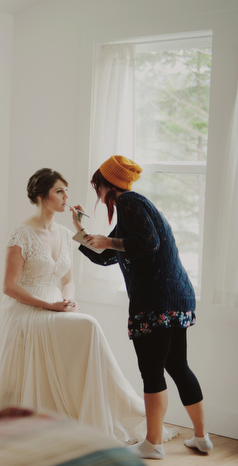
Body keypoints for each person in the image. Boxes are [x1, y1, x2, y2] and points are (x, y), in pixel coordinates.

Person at [0, 168, 147, 443]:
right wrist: (50, 305)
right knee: (89, 325)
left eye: (66, 190)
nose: (67, 196)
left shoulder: (66, 234)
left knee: (87, 327)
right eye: (59, 191)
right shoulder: (21, 233)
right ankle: (114, 404)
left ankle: (93, 410)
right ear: (42, 197)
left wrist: (69, 297)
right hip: (25, 308)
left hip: (55, 305)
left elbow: (68, 280)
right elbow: (9, 287)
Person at [72, 155, 212, 459]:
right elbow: (105, 256)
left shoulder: (129, 203)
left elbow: (147, 244)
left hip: (155, 301)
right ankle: (201, 437)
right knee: (176, 365)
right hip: (177, 297)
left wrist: (109, 243)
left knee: (152, 371)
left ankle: (153, 444)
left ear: (108, 184)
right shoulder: (135, 208)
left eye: (97, 185)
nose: (97, 192)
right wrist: (81, 233)